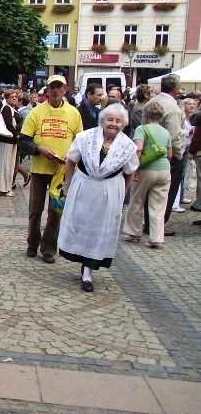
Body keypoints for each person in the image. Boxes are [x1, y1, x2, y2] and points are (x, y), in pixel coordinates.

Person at [58, 104, 138, 291]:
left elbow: (130, 173)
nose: (114, 124)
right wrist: (67, 185)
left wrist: (123, 195)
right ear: (102, 120)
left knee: (101, 229)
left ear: (123, 125)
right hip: (84, 186)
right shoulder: (85, 137)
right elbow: (71, 160)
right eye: (110, 119)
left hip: (109, 191)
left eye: (118, 121)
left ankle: (89, 271)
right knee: (82, 224)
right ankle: (82, 260)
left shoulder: (127, 146)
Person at [18, 75, 83, 264]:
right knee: (35, 209)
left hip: (62, 171)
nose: (55, 90)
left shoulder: (73, 113)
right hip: (40, 168)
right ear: (46, 89)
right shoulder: (37, 112)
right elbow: (23, 140)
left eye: (59, 87)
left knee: (55, 211)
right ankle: (32, 243)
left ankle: (48, 248)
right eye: (52, 87)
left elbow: (80, 141)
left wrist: (71, 155)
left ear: (65, 90)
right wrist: (39, 149)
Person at [123, 101, 173, 248]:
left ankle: (134, 232)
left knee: (137, 200)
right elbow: (170, 154)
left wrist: (135, 168)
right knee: (158, 205)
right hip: (164, 169)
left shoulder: (141, 129)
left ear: (146, 114)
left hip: (146, 169)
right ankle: (156, 237)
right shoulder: (165, 132)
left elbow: (138, 149)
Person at [145, 74, 185, 236]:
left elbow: (143, 128)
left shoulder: (150, 103)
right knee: (165, 193)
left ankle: (148, 222)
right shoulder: (173, 107)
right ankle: (158, 224)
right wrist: (178, 155)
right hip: (166, 156)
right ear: (175, 89)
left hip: (148, 153)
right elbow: (174, 135)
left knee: (149, 191)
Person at [0, 90, 25, 196]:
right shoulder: (6, 108)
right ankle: (3, 188)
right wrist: (15, 134)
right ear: (7, 98)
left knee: (11, 164)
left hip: (13, 140)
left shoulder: (14, 109)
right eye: (12, 97)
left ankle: (8, 186)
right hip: (7, 139)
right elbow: (8, 124)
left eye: (16, 97)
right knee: (6, 164)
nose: (14, 98)